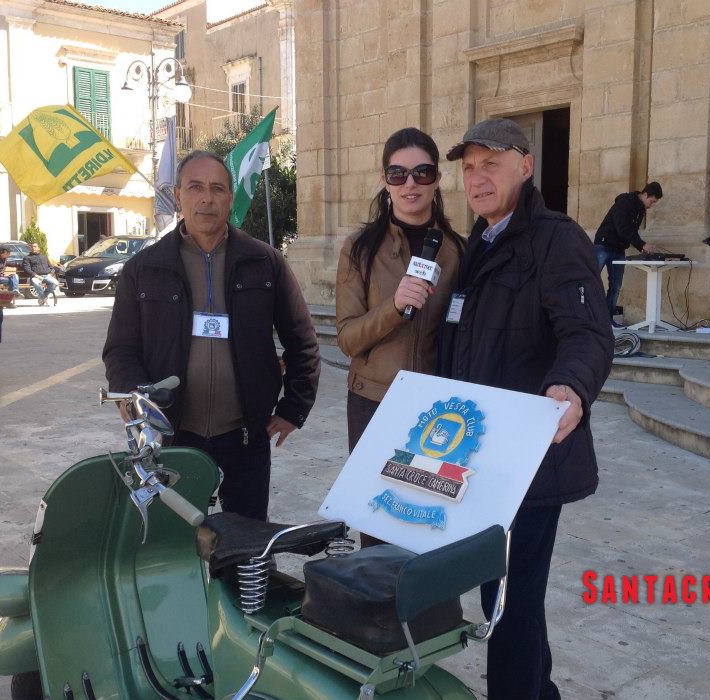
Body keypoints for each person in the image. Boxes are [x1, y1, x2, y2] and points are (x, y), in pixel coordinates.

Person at [440, 118, 614, 700]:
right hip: (480, 455)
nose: (478, 177)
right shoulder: (481, 243)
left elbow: (588, 332)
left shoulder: (556, 239)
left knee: (508, 604)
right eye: (468, 167)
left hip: (530, 459)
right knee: (512, 596)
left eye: (491, 163)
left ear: (525, 165)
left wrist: (571, 386)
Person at [103, 150, 320, 520]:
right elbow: (120, 349)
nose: (207, 198)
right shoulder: (144, 268)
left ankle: (240, 581)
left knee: (246, 542)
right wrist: (135, 400)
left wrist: (292, 410)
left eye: (218, 189)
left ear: (230, 198)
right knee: (175, 539)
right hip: (173, 434)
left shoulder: (264, 262)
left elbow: (303, 342)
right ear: (177, 195)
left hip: (246, 435)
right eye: (196, 187)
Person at [335, 127, 465, 547]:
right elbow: (347, 339)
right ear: (385, 179)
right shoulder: (359, 249)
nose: (410, 184)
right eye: (398, 174)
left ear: (437, 180)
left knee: (426, 522)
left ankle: (423, 611)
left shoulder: (457, 251)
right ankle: (378, 612)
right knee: (377, 524)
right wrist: (394, 307)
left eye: (422, 173)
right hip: (374, 403)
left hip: (435, 412)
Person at [593, 181, 663, 327]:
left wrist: (641, 247)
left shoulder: (640, 209)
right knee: (590, 280)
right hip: (603, 246)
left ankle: (607, 321)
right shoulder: (624, 203)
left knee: (616, 286)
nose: (652, 205)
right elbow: (623, 229)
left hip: (619, 250)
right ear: (645, 194)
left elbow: (631, 232)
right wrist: (642, 245)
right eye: (652, 201)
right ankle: (586, 318)